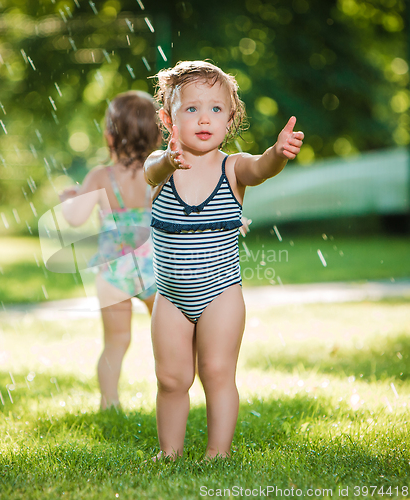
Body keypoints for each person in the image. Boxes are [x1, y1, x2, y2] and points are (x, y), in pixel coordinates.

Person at [144, 60, 304, 459]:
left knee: (216, 372)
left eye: (216, 109)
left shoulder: (232, 168)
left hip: (220, 294)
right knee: (171, 378)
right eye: (191, 108)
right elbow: (150, 170)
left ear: (230, 119)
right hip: (171, 298)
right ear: (169, 119)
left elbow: (260, 167)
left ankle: (219, 454)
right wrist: (168, 160)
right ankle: (169, 453)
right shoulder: (161, 168)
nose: (204, 118)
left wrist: (278, 153)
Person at [59, 91, 161, 410]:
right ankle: (173, 391)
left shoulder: (101, 176)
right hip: (154, 269)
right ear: (158, 134)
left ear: (109, 136)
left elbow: (75, 219)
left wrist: (69, 201)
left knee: (116, 341)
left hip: (114, 272)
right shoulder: (161, 172)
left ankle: (109, 402)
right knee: (167, 337)